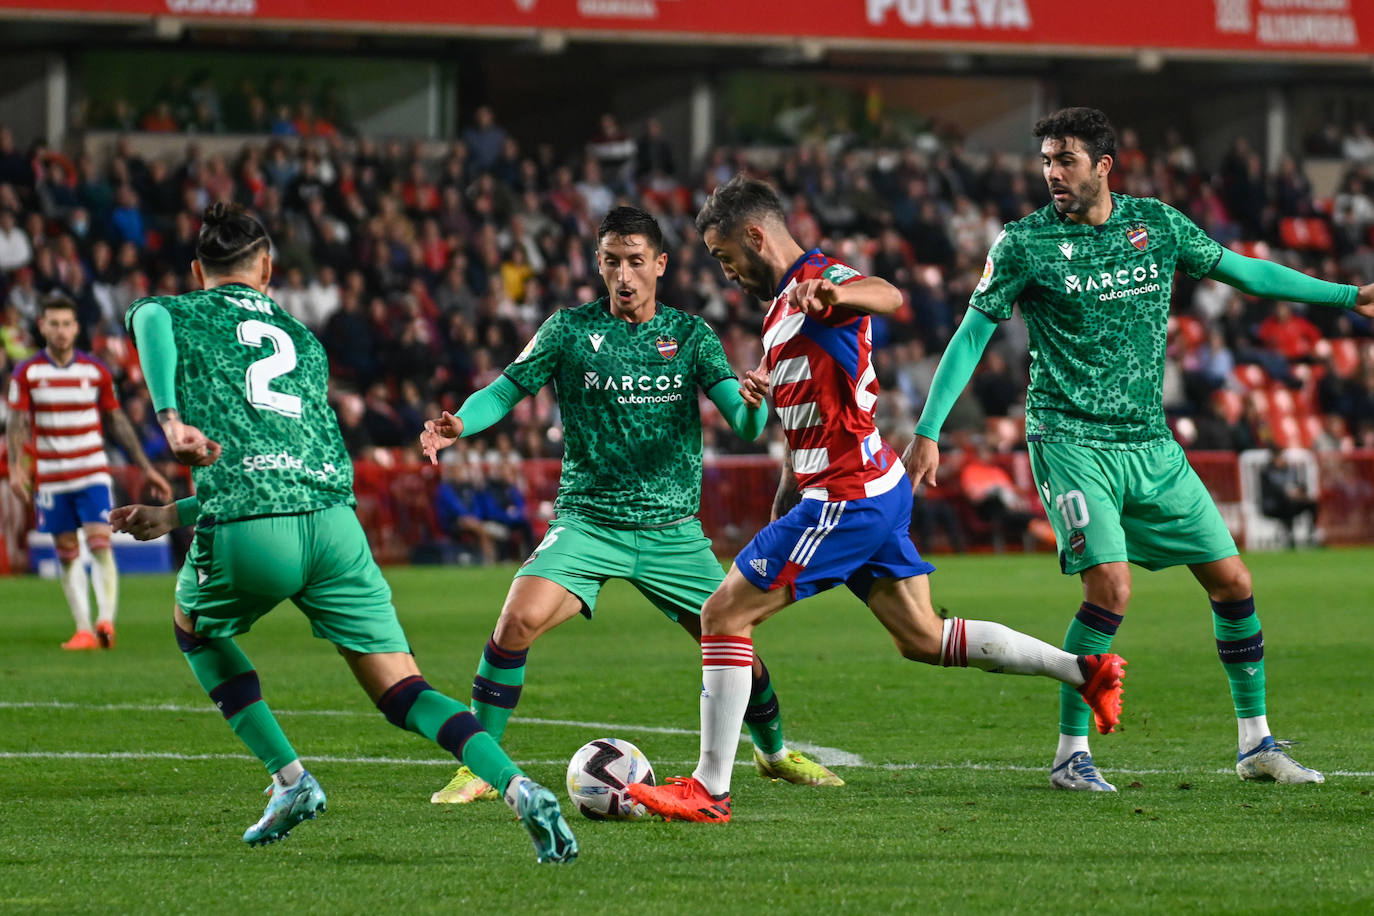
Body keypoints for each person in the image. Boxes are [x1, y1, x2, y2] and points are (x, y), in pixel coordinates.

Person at [627, 175, 1125, 824]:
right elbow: (805, 419)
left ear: (755, 236)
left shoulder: (818, 281)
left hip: (847, 499)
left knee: (722, 615)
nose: (727, 273)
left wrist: (833, 291)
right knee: (923, 637)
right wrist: (784, 488)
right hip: (868, 488)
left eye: (726, 256)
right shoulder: (782, 310)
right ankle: (1084, 671)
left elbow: (885, 294)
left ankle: (710, 789)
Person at [905, 107, 1374, 792]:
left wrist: (1348, 295)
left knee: (1235, 583)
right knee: (1111, 587)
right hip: (1070, 440)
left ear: (1103, 165)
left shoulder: (1156, 225)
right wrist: (928, 428)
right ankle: (1071, 754)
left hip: (1150, 444)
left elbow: (1245, 272)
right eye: (1045, 161)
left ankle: (1256, 745)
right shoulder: (1023, 244)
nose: (1052, 173)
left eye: (1065, 159)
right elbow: (972, 335)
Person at [111, 203, 575, 862]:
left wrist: (169, 423)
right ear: (268, 268)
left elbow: (151, 317)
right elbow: (283, 462)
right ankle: (518, 785)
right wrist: (175, 515)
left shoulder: (181, 310)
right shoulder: (305, 338)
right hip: (334, 530)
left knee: (194, 629)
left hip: (251, 532)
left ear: (197, 271)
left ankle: (290, 779)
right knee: (405, 690)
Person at [420, 206, 845, 806]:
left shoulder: (692, 335)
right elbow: (507, 388)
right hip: (588, 522)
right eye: (612, 261)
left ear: (660, 265)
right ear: (598, 264)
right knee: (515, 622)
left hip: (672, 530)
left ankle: (773, 753)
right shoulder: (567, 330)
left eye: (636, 261)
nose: (624, 275)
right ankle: (481, 767)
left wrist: (759, 399)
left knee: (736, 646)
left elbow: (747, 425)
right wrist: (461, 422)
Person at [7, 295, 172, 650]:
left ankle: (105, 622)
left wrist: (147, 469)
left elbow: (117, 422)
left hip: (91, 470)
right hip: (51, 475)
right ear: (43, 327)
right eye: (54, 324)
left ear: (76, 327)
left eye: (67, 324)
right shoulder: (28, 373)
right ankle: (83, 628)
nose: (62, 331)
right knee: (66, 548)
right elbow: (18, 423)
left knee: (100, 540)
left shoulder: (95, 371)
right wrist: (19, 469)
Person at [1258, 446, 1319, 548]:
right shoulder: (1266, 472)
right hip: (1274, 505)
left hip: (1292, 501)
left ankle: (1311, 534)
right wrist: (1288, 493)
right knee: (1288, 503)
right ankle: (1290, 536)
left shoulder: (1290, 469)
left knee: (1312, 503)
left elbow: (1300, 485)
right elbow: (1273, 490)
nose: (1282, 459)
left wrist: (1300, 492)